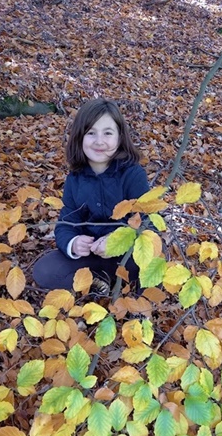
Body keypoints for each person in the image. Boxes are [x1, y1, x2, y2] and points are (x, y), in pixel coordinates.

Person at [32, 98, 149, 292]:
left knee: (151, 267)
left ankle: (125, 293)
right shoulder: (75, 179)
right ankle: (96, 283)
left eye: (108, 133)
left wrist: (117, 241)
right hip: (91, 256)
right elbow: (66, 224)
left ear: (120, 137)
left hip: (127, 255)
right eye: (91, 133)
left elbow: (148, 221)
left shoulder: (132, 175)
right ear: (80, 137)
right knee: (44, 271)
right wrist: (74, 243)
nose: (99, 141)